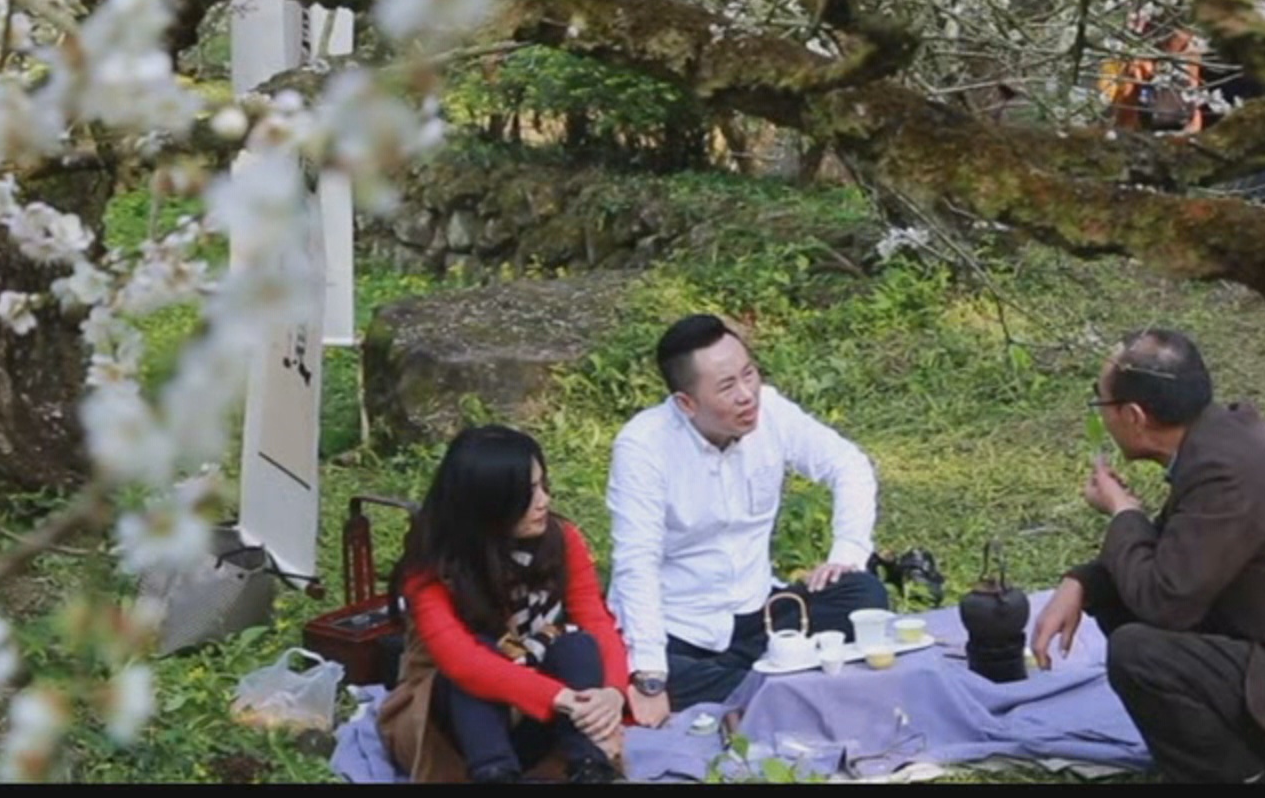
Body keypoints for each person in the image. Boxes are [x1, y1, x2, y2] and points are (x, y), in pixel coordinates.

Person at [1031, 328, 1265, 784]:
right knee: (1121, 594)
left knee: (1138, 652)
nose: (1100, 414)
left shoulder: (1223, 474)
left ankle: (1239, 775)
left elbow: (1163, 602)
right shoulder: (1223, 439)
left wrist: (1122, 512)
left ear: (1133, 416)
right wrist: (1080, 582)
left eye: (1101, 403)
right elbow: (1169, 554)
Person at [606, 313, 889, 724]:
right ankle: (780, 683)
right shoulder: (643, 446)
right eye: (727, 387)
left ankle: (758, 685)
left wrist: (846, 553)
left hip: (759, 615)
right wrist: (650, 673)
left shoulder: (770, 410)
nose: (747, 395)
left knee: (861, 593)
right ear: (686, 403)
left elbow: (849, 465)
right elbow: (637, 562)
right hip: (679, 629)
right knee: (632, 666)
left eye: (749, 374)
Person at [378, 425, 630, 784]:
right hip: (456, 730)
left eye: (543, 486)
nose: (543, 501)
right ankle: (495, 774)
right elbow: (460, 660)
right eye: (527, 494)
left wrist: (612, 693)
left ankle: (589, 767)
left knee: (578, 645)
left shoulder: (561, 539)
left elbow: (596, 619)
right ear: (489, 501)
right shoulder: (435, 564)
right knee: (477, 657)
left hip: (540, 712)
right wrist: (559, 696)